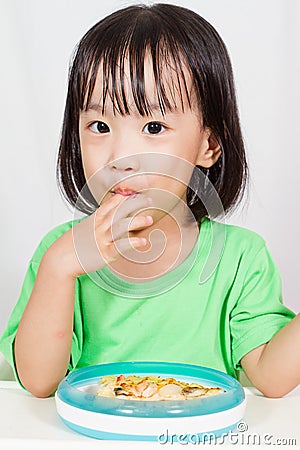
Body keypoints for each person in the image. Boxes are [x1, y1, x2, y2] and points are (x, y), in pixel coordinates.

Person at [0, 3, 298, 399]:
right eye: (100, 126)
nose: (120, 157)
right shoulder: (60, 252)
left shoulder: (240, 258)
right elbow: (39, 382)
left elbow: (273, 378)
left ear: (208, 145)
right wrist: (59, 269)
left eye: (153, 127)